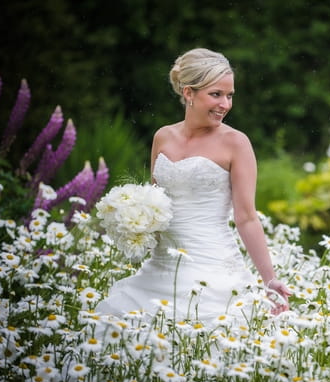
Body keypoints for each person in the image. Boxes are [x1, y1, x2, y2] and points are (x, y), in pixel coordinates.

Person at [96, 48, 291, 324]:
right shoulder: (163, 137)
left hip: (213, 268)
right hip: (160, 267)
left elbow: (246, 217)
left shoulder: (236, 143)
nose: (225, 104)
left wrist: (269, 280)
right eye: (216, 94)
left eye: (229, 95)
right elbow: (155, 202)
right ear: (188, 93)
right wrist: (132, 221)